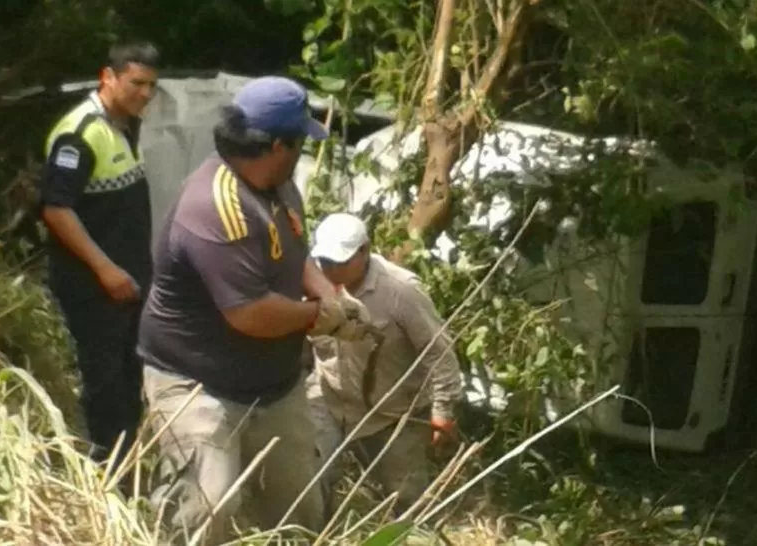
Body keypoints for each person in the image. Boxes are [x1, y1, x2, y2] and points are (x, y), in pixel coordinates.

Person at [138, 76, 369, 544]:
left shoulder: (280, 188)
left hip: (274, 384)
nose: (303, 150)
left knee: (300, 512)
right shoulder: (215, 208)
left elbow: (296, 255)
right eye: (301, 141)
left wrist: (331, 298)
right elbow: (249, 314)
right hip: (198, 383)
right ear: (279, 145)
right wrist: (317, 318)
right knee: (207, 509)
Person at [38, 41, 159, 478]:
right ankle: (105, 480)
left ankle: (130, 470)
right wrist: (105, 269)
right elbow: (57, 209)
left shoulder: (124, 126)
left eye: (151, 86)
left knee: (129, 382)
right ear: (107, 77)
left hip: (126, 286)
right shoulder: (80, 132)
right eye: (136, 83)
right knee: (104, 385)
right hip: (93, 288)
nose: (144, 93)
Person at [305, 212, 465, 515]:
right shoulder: (311, 281)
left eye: (340, 262)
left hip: (391, 414)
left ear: (364, 251)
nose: (330, 269)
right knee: (310, 481)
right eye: (325, 261)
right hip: (328, 400)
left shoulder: (400, 291)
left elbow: (439, 352)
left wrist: (442, 410)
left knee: (407, 501)